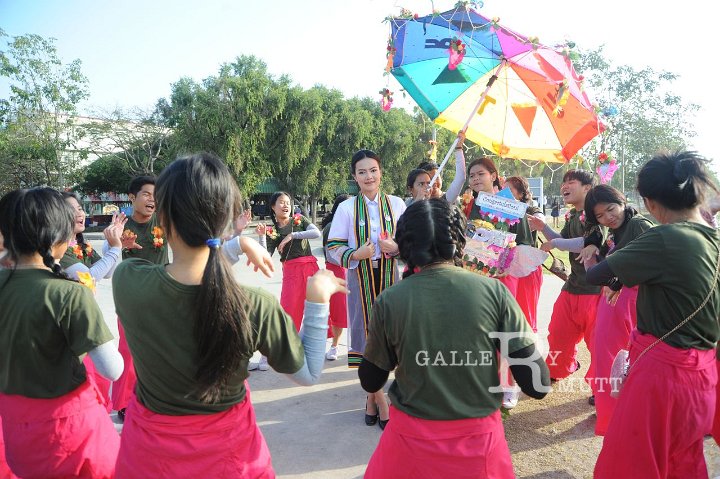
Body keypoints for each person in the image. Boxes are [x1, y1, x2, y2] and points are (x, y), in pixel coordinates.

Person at [112, 153, 348, 478]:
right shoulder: (254, 304)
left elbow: (190, 272)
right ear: (226, 218)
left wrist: (238, 245)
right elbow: (307, 374)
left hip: (149, 458)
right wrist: (317, 300)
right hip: (230, 459)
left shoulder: (128, 281)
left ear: (161, 219)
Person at [360, 199, 550, 478]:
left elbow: (371, 380)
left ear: (405, 244)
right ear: (460, 240)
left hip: (410, 445)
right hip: (479, 448)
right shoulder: (494, 293)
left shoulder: (390, 300)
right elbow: (537, 384)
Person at [586, 151, 719, 478]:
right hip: (703, 372)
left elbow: (597, 275)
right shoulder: (712, 237)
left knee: (631, 463)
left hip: (664, 375)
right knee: (683, 460)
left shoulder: (664, 237)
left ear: (649, 202)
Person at [0, 187, 123, 478]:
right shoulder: (69, 293)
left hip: (17, 428)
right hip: (70, 432)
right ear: (59, 237)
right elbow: (111, 369)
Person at [327, 149, 406, 429]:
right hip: (359, 278)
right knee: (364, 338)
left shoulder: (397, 204)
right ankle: (381, 400)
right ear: (354, 177)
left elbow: (409, 241)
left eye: (373, 170)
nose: (369, 176)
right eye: (362, 172)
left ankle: (371, 398)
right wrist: (355, 254)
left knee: (389, 336)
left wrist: (396, 247)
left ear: (380, 172)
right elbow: (333, 246)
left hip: (390, 278)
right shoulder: (347, 208)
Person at [578, 184, 654, 436]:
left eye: (611, 209)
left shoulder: (639, 225)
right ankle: (613, 414)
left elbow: (648, 260)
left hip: (628, 302)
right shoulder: (618, 229)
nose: (608, 218)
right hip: (617, 303)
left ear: (622, 202)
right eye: (600, 215)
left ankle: (615, 419)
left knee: (613, 359)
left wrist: (617, 281)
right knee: (610, 359)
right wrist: (592, 243)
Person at [465, 157, 535, 409]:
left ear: (494, 176)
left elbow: (525, 242)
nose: (475, 179)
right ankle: (483, 381)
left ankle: (509, 385)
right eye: (472, 175)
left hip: (506, 276)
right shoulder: (472, 205)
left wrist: (507, 256)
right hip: (478, 275)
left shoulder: (512, 205)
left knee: (505, 331)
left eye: (480, 174)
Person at [527, 170, 603, 402]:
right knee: (559, 333)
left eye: (571, 182)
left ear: (587, 188)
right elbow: (561, 239)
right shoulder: (572, 216)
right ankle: (558, 369)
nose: (564, 186)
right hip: (572, 286)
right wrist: (543, 227)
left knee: (599, 343)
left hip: (596, 291)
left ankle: (600, 388)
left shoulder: (598, 213)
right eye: (563, 183)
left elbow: (588, 243)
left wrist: (556, 243)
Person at [60, 192, 127, 412]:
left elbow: (107, 271)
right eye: (73, 209)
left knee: (99, 380)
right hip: (76, 324)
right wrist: (115, 248)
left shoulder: (80, 245)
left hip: (87, 317)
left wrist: (112, 243)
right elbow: (89, 276)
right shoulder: (61, 251)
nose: (80, 213)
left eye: (80, 208)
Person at [112, 175, 168, 420]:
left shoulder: (164, 220)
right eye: (146, 194)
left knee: (162, 348)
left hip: (162, 292)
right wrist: (119, 245)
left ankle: (159, 397)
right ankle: (125, 403)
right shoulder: (121, 225)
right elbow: (108, 250)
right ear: (132, 198)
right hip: (131, 295)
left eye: (155, 195)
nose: (152, 199)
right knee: (129, 350)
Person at [254, 191, 321, 370]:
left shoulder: (299, 220)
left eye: (288, 202)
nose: (286, 206)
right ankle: (267, 354)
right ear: (273, 207)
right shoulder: (273, 231)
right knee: (287, 314)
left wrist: (292, 236)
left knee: (315, 312)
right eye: (281, 202)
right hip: (291, 272)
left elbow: (316, 233)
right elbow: (265, 256)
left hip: (310, 269)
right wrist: (262, 236)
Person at [505, 176, 545, 332]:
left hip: (528, 270)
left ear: (521, 194)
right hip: (508, 269)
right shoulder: (500, 210)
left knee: (526, 317)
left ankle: (527, 345)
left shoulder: (529, 209)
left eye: (509, 190)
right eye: (503, 189)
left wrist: (532, 222)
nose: (504, 193)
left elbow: (539, 217)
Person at [321, 194, 352, 361]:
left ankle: (358, 346)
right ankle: (334, 346)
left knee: (357, 311)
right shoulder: (331, 226)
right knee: (338, 311)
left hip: (353, 269)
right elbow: (331, 254)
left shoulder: (355, 224)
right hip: (336, 271)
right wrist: (353, 256)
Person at [410, 132, 466, 205]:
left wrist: (458, 148)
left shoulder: (447, 199)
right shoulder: (410, 203)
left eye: (436, 177)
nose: (434, 182)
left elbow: (460, 178)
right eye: (429, 180)